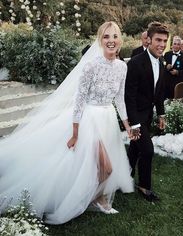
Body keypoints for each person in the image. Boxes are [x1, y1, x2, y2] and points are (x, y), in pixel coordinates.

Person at [0, 21, 134, 225]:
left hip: (108, 119)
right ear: (100, 40)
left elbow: (120, 99)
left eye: (114, 36)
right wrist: (75, 133)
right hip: (90, 120)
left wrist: (127, 127)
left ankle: (97, 197)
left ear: (120, 40)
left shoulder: (122, 67)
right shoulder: (91, 66)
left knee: (96, 167)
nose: (111, 40)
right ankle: (94, 199)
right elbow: (79, 101)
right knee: (106, 168)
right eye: (106, 36)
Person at [125, 21, 168, 202]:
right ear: (148, 40)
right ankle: (144, 186)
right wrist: (134, 124)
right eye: (158, 40)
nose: (162, 44)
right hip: (136, 117)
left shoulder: (162, 62)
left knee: (135, 149)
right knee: (147, 150)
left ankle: (125, 176)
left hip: (148, 115)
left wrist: (161, 113)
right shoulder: (135, 63)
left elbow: (159, 92)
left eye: (165, 41)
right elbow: (129, 96)